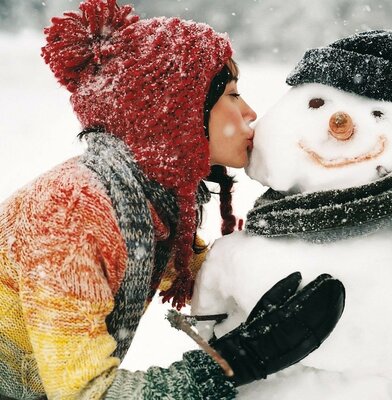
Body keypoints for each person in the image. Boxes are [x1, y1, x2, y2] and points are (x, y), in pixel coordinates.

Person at [0, 0, 345, 399]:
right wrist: (235, 363)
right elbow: (87, 394)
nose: (250, 112)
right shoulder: (73, 212)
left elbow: (204, 270)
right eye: (232, 95)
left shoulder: (146, 203)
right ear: (176, 113)